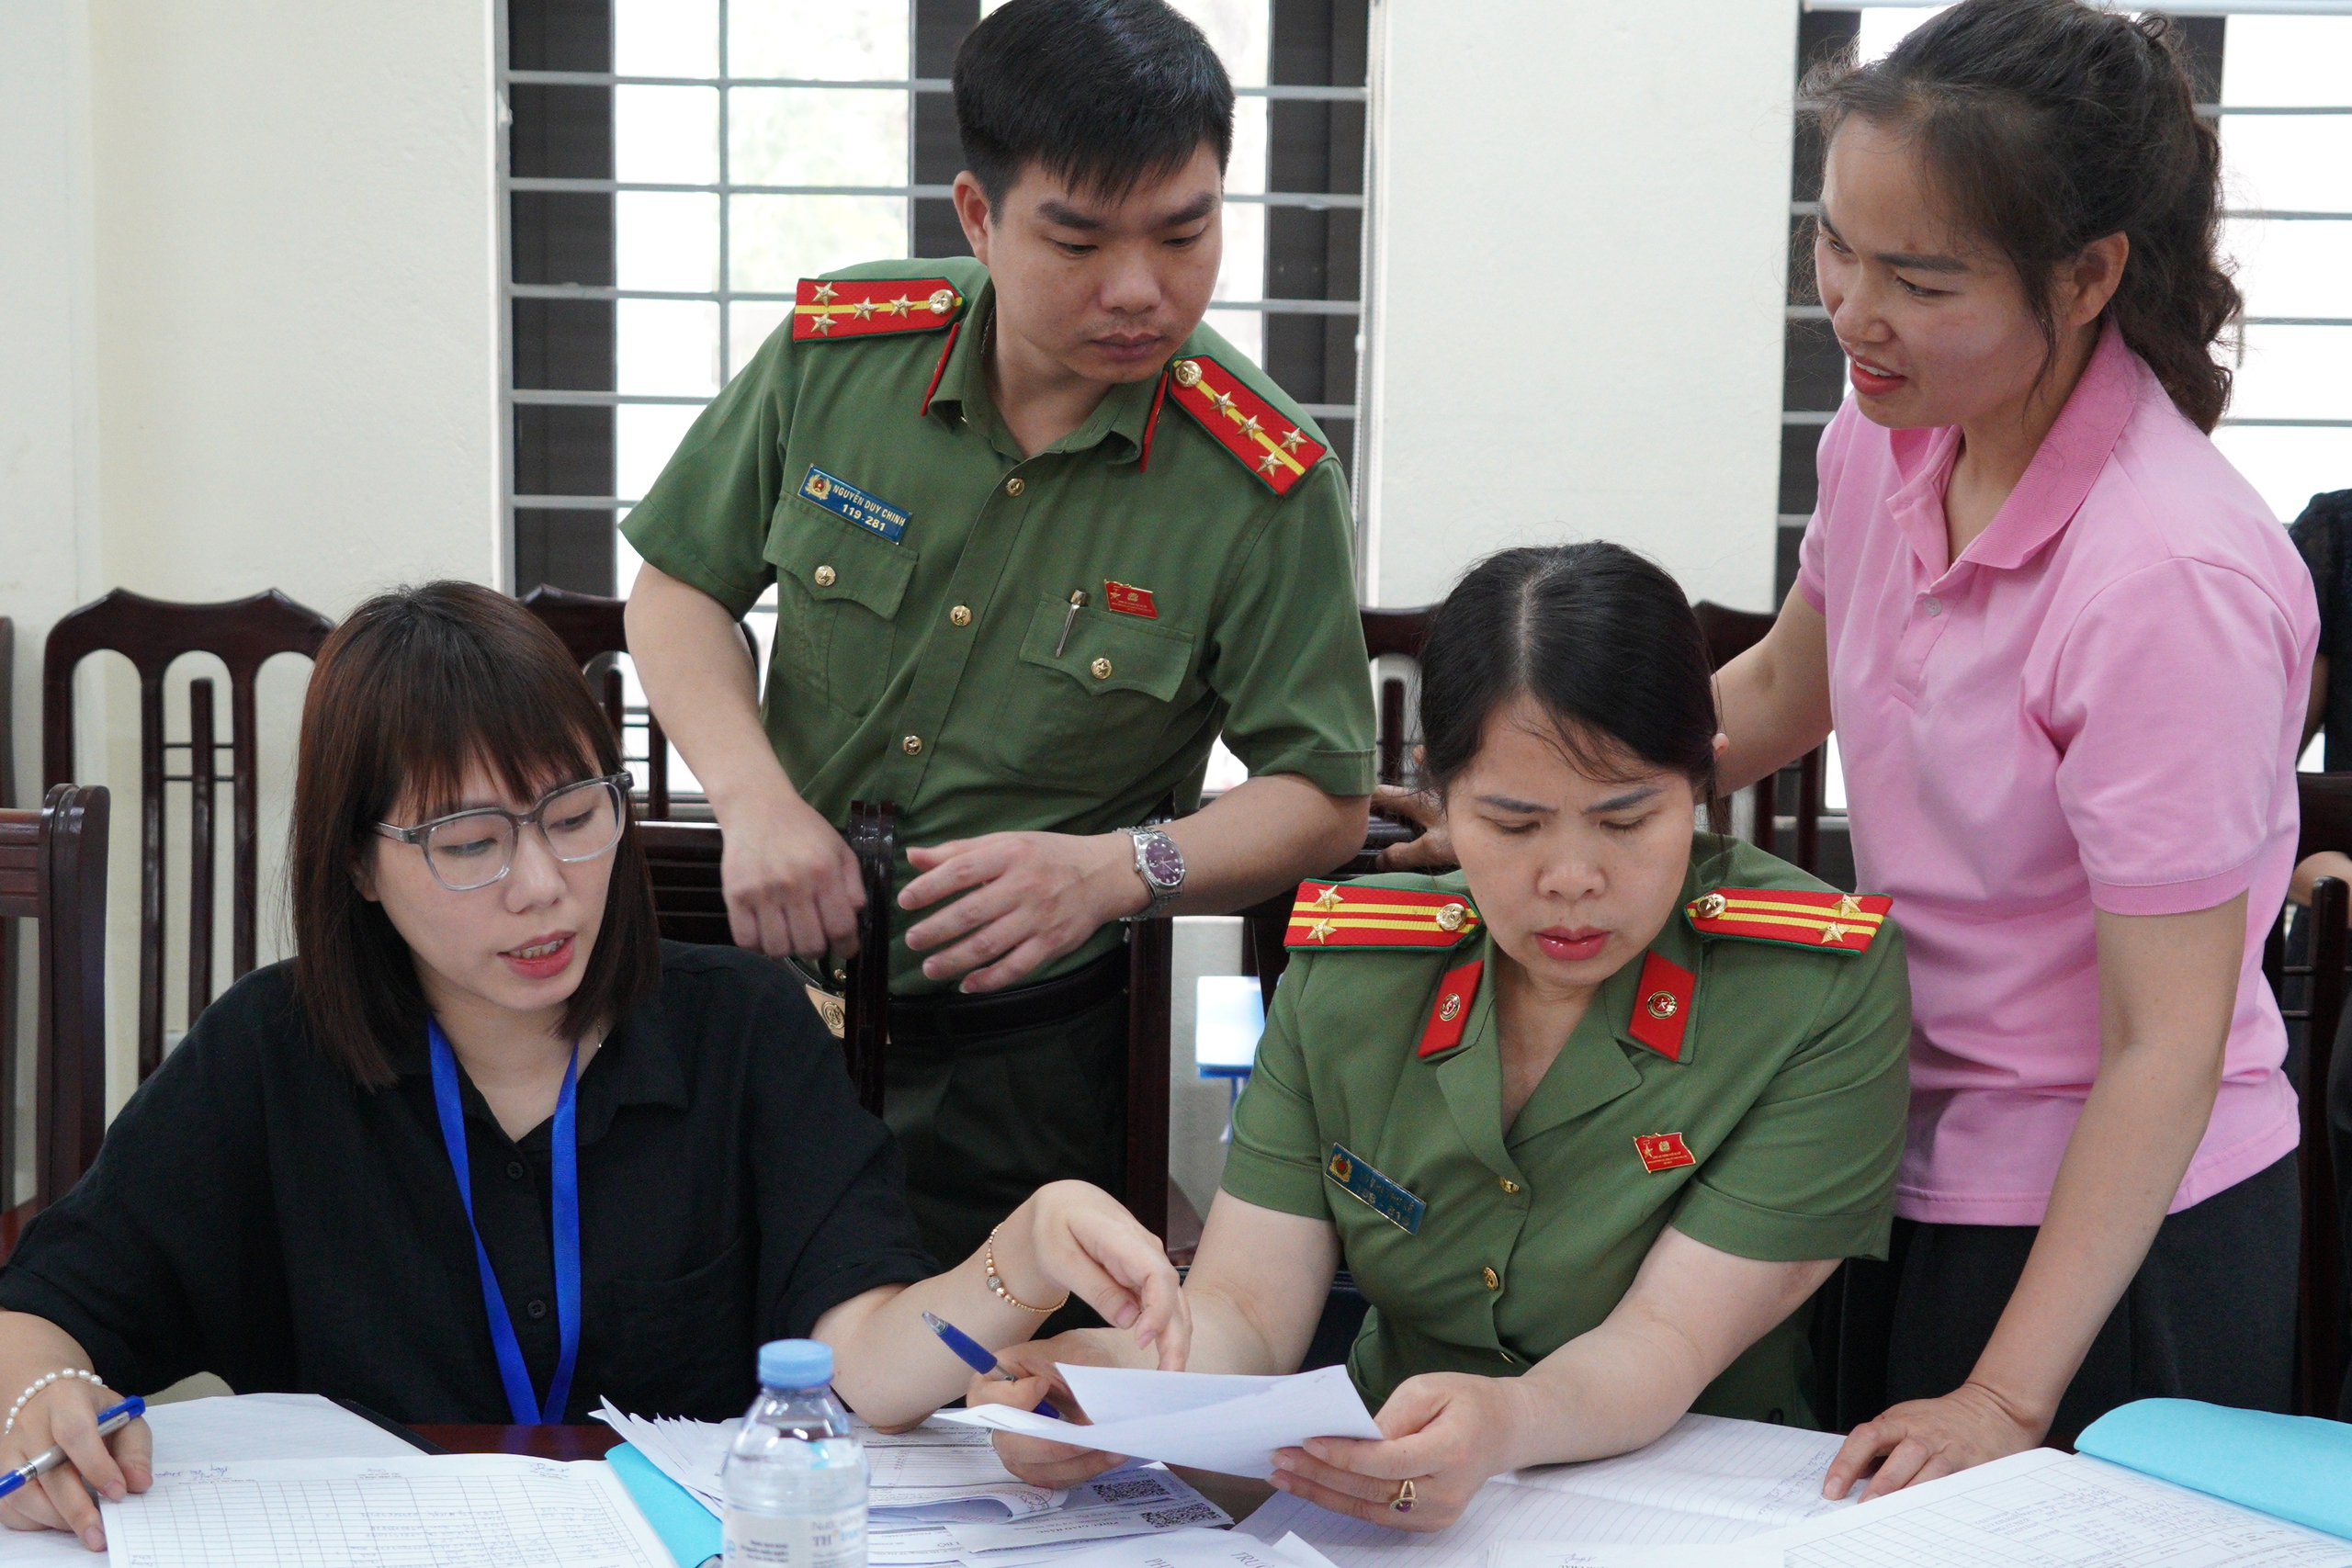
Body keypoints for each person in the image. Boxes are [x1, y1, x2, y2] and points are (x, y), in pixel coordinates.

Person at [0, 583, 1184, 1555]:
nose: (541, 884)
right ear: (357, 865)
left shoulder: (741, 1029)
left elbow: (861, 1359)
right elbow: (45, 1311)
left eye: (575, 814)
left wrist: (1021, 1253)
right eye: (467, 843)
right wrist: (27, 1400)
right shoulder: (269, 1048)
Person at [619, 0, 1375, 1274]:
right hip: (763, 1014)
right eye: (1077, 240)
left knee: (997, 1418)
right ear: (978, 214)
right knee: (718, 1380)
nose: (1140, 289)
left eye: (1186, 232)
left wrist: (1118, 868)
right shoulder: (841, 356)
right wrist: (750, 796)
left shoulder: (1262, 478)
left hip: (1032, 1069)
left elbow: (1323, 797)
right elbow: (680, 584)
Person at [969, 544, 1913, 1531]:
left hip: (1690, 1508)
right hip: (1377, 1508)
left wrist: (1506, 1421)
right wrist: (1109, 1386)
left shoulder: (1811, 985)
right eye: (1512, 825)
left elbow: (1665, 1337)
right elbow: (1245, 1310)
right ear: (1441, 795)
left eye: (1627, 820)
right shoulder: (1357, 969)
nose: (1571, 877)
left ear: (1702, 779)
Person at [1711, 0, 2314, 1496]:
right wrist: (1549, 798)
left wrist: (1999, 1394)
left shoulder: (2169, 575)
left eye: (1920, 278)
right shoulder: (1890, 429)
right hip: (1903, 1136)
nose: (1852, 309)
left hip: (2120, 1227)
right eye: (1837, 244)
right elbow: (1791, 681)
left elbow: (2163, 1047)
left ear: (2091, 275)